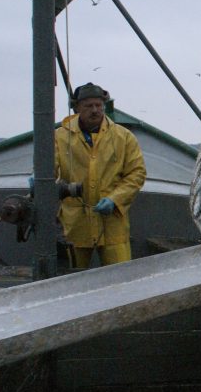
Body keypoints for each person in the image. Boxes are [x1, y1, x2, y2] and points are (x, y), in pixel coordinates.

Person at [54, 82, 146, 267]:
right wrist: (38, 178)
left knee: (121, 279)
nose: (95, 110)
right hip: (74, 225)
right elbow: (48, 172)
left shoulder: (123, 137)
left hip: (112, 224)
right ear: (77, 108)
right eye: (88, 106)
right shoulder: (59, 137)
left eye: (98, 105)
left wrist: (115, 199)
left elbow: (137, 173)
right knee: (69, 280)